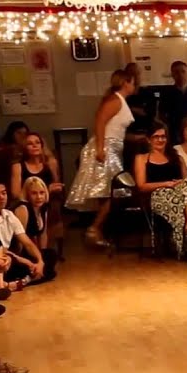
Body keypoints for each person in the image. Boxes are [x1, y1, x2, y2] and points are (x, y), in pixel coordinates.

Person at [65, 69, 135, 248]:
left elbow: (115, 129)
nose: (134, 85)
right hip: (106, 148)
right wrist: (101, 148)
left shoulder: (120, 101)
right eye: (132, 82)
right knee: (115, 191)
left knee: (108, 191)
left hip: (113, 147)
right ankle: (94, 228)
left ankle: (97, 230)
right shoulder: (114, 100)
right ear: (126, 82)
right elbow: (100, 121)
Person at [133, 122, 187, 262]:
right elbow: (141, 186)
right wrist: (166, 184)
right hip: (157, 195)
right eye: (156, 137)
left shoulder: (176, 157)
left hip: (179, 192)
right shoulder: (142, 158)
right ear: (149, 139)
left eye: (163, 137)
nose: (160, 140)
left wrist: (178, 184)